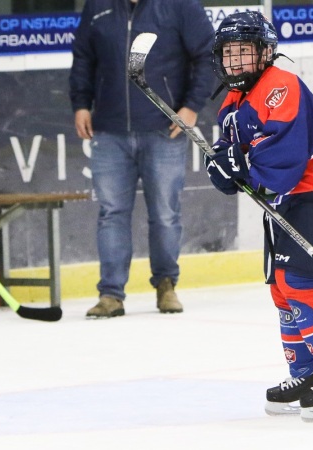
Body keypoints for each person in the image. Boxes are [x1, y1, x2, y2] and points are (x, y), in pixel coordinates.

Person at [204, 11, 313, 421]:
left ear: (264, 53)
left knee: (298, 279)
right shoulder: (232, 103)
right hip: (288, 198)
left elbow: (284, 161)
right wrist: (223, 169)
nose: (235, 62)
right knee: (281, 286)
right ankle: (307, 370)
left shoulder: (281, 87)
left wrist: (241, 169)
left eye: (243, 52)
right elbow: (234, 160)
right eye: (229, 53)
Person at [69, 0, 215, 318]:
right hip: (109, 130)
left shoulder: (180, 6)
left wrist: (191, 107)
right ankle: (110, 294)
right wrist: (81, 103)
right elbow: (83, 56)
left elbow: (207, 54)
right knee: (111, 214)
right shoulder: (98, 6)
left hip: (164, 129)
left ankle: (166, 285)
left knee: (164, 213)